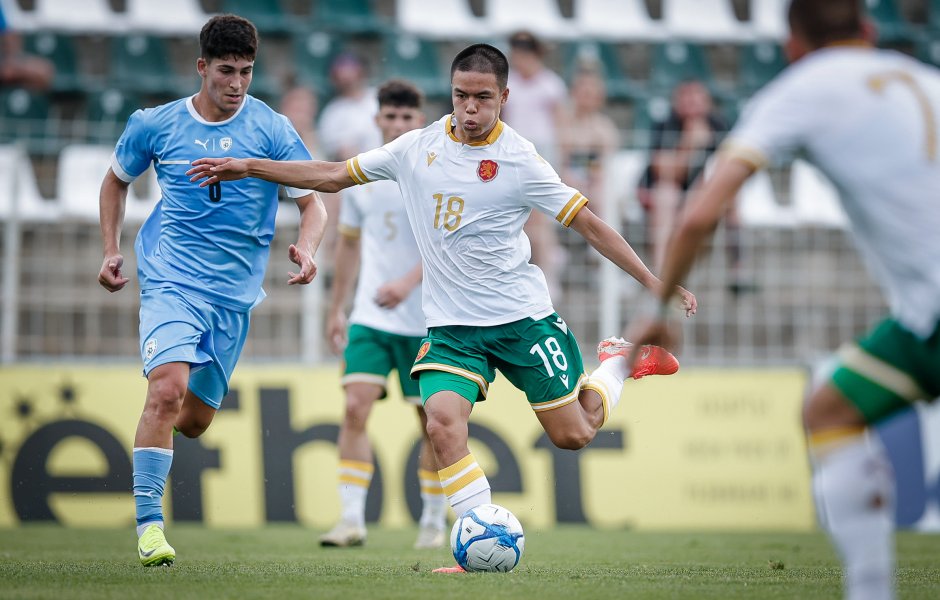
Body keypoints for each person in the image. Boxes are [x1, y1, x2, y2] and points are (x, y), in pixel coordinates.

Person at [188, 43, 697, 573]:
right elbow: (332, 174)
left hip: (522, 319)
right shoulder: (416, 147)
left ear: (504, 96)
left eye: (482, 98)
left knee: (574, 435)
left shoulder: (521, 159)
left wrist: (655, 282)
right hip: (453, 328)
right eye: (460, 96)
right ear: (450, 93)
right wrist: (249, 166)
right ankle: (475, 539)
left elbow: (589, 223)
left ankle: (617, 361)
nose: (470, 109)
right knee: (442, 422)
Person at [626, 2, 940, 599]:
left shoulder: (801, 90)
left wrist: (658, 310)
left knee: (828, 417)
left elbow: (698, 214)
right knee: (830, 408)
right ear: (868, 31)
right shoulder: (925, 78)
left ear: (792, 43)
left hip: (934, 310)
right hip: (925, 316)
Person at [97, 15, 326, 567]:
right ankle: (150, 528)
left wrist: (310, 247)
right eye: (226, 71)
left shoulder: (270, 129)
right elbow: (115, 181)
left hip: (233, 296)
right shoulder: (155, 125)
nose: (237, 84)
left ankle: (156, 425)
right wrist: (110, 248)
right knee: (167, 391)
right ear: (202, 67)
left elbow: (313, 199)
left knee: (194, 421)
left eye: (246, 72)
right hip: (169, 277)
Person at [320, 79, 448, 550]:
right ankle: (351, 519)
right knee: (354, 408)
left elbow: (446, 245)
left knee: (433, 424)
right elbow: (349, 246)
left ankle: (434, 521)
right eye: (389, 117)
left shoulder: (433, 174)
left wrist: (407, 282)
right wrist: (338, 310)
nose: (397, 125)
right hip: (371, 318)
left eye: (406, 118)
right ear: (377, 120)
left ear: (420, 122)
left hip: (427, 320)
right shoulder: (362, 176)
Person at [636, 80, 741, 276]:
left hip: (703, 193)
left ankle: (737, 269)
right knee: (666, 195)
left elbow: (730, 167)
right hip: (667, 195)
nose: (691, 103)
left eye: (696, 97)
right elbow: (663, 171)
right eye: (686, 97)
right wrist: (689, 145)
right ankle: (660, 273)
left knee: (731, 197)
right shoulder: (665, 125)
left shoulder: (719, 125)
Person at [501, 30, 568, 297]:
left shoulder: (550, 84)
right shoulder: (510, 83)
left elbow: (561, 125)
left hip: (543, 153)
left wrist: (561, 162)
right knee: (524, 220)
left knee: (541, 221)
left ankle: (549, 276)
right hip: (514, 154)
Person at [559, 68, 619, 221]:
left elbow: (606, 159)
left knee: (602, 192)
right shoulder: (562, 122)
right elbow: (562, 157)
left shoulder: (605, 126)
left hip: (596, 179)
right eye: (583, 90)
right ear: (573, 93)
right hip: (566, 176)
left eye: (591, 92)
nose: (587, 95)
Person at [0, 5, 54, 90]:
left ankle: (21, 101)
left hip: (3, 62)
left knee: (43, 72)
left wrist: (11, 62)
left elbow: (9, 36)